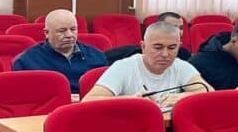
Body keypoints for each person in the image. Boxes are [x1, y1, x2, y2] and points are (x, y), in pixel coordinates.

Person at [83, 21, 211, 106]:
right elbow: (88, 101)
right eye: (158, 47)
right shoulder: (124, 67)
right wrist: (131, 100)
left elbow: (209, 93)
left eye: (172, 48)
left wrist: (182, 97)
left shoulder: (180, 66)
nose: (165, 54)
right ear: (143, 47)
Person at [11, 8, 107, 94]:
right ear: (46, 33)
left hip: (86, 104)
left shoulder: (97, 56)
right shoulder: (26, 61)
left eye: (73, 29)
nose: (69, 35)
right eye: (62, 31)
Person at [104, 11, 193, 64]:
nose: (178, 31)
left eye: (181, 28)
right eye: (172, 27)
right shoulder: (133, 54)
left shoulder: (184, 54)